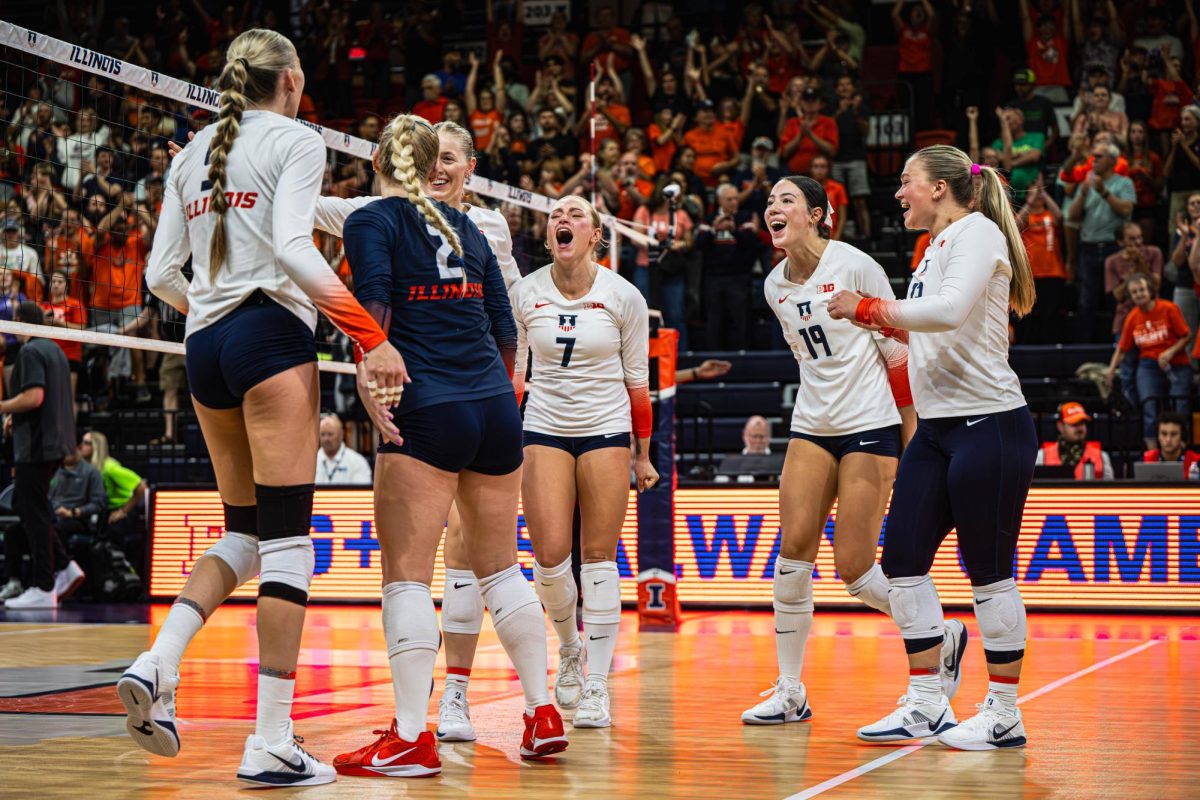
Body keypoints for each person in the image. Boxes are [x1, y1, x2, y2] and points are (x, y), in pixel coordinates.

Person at [126, 29, 404, 787]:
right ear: (287, 81)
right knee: (288, 545)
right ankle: (271, 741)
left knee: (244, 535)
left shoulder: (190, 154)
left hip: (205, 346)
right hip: (267, 335)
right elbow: (291, 246)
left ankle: (158, 663)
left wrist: (211, 311)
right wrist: (369, 335)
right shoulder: (294, 138)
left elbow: (158, 275)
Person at [331, 114, 566, 778]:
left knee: (406, 573)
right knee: (500, 568)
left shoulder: (373, 219)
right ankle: (543, 712)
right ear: (436, 162)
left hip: (426, 403)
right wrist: (495, 392)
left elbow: (374, 308)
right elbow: (505, 328)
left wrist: (372, 383)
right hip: (494, 406)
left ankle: (409, 736)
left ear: (377, 157)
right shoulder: (467, 228)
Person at [829, 144, 1039, 750]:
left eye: (906, 182)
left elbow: (946, 314)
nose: (899, 193)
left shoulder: (977, 233)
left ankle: (1003, 714)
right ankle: (926, 702)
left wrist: (868, 306)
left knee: (990, 576)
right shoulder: (933, 249)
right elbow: (930, 327)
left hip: (991, 425)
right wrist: (879, 321)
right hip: (938, 430)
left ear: (941, 189)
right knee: (901, 565)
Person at [744, 176, 962, 728]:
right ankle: (790, 690)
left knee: (856, 568)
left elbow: (897, 351)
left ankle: (940, 632)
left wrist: (915, 440)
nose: (773, 207)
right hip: (812, 425)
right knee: (791, 558)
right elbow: (808, 359)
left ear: (818, 214)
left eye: (786, 199)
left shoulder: (854, 264)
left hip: (871, 424)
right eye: (769, 201)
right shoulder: (774, 286)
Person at [509, 194, 657, 729]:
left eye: (574, 215)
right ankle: (569, 646)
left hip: (606, 428)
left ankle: (596, 684)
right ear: (549, 236)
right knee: (549, 560)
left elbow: (638, 383)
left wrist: (642, 452)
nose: (562, 221)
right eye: (555, 217)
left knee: (598, 558)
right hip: (544, 427)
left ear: (595, 234)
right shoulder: (525, 292)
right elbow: (516, 378)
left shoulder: (624, 296)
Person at [0, 302, 76, 609]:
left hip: (36, 445)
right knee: (30, 504)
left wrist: (3, 407)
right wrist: (12, 417)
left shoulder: (30, 352)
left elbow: (34, 397)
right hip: (55, 442)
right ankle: (65, 567)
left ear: (20, 322)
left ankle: (45, 585)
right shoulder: (55, 349)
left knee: (32, 512)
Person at [1, 435, 99, 604]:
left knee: (50, 528)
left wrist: (73, 512)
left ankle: (47, 581)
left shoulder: (91, 472)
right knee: (14, 532)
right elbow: (44, 499)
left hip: (74, 519)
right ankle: (15, 582)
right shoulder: (55, 471)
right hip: (52, 515)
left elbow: (98, 503)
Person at [1104, 273, 1191, 446]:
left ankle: (1183, 451)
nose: (1139, 294)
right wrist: (1110, 371)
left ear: (1150, 290)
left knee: (1180, 406)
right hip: (1149, 364)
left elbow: (1186, 336)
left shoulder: (1169, 308)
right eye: (1135, 292)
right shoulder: (1132, 317)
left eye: (1142, 290)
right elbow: (1121, 349)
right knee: (1148, 407)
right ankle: (1151, 453)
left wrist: (1170, 352)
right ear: (1130, 297)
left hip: (1177, 363)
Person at [1067, 141, 1135, 342]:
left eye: (1099, 157)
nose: (1093, 160)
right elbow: (1072, 215)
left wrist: (1104, 191)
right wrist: (1084, 194)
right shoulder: (1086, 183)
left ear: (1113, 161)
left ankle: (1117, 344)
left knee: (1116, 301)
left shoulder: (1124, 183)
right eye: (1093, 156)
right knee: (1086, 302)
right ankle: (1084, 348)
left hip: (1114, 249)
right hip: (1088, 247)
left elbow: (1126, 210)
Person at [697, 184, 762, 350]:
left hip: (739, 276)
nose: (734, 202)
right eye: (729, 199)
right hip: (713, 277)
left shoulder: (746, 217)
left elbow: (752, 244)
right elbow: (699, 245)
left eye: (736, 198)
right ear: (720, 201)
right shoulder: (709, 219)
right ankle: (714, 360)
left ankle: (744, 359)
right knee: (715, 321)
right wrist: (714, 230)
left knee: (741, 321)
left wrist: (734, 231)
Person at [1034, 401, 1115, 480]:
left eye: (1082, 423)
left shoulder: (1102, 456)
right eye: (1074, 424)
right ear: (1060, 426)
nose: (1080, 428)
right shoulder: (1042, 456)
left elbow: (1110, 490)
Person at [314, 412, 372, 485]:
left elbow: (362, 493)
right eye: (323, 434)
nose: (326, 439)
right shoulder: (311, 462)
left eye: (330, 434)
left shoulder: (358, 462)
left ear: (341, 435)